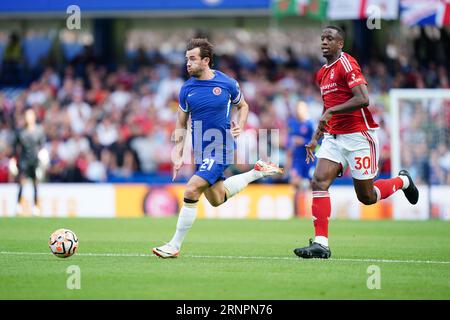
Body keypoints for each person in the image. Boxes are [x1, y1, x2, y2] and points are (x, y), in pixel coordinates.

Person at [293, 26, 419, 259]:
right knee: (319, 181)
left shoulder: (347, 64)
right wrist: (315, 138)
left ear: (340, 44)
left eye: (329, 38)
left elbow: (363, 99)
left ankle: (402, 181)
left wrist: (331, 113)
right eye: (321, 38)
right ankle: (321, 243)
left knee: (367, 197)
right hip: (333, 137)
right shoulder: (322, 73)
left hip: (359, 136)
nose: (324, 42)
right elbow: (326, 106)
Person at [152, 38, 283, 258]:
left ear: (206, 60)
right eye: (187, 59)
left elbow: (243, 106)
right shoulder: (186, 89)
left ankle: (174, 245)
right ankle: (255, 172)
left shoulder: (227, 84)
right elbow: (181, 123)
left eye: (193, 59)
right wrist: (178, 153)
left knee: (192, 189)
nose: (188, 63)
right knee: (216, 199)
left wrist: (240, 125)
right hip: (201, 151)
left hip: (221, 147)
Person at [13, 108, 46, 216]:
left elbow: (42, 146)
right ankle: (18, 205)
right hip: (24, 161)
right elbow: (15, 147)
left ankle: (36, 206)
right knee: (21, 184)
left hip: (35, 161)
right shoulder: (20, 132)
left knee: (35, 185)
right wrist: (14, 160)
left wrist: (42, 158)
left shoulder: (39, 130)